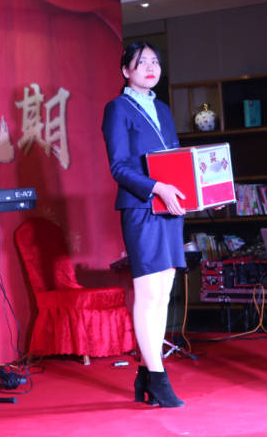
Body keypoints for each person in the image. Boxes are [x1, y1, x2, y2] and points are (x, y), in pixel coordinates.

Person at [102, 41, 187, 408]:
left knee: (164, 292)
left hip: (169, 207)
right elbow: (119, 166)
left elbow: (174, 159)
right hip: (141, 207)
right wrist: (157, 187)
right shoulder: (117, 108)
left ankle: (146, 375)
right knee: (148, 292)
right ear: (126, 71)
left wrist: (188, 192)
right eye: (142, 62)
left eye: (155, 61)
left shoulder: (163, 109)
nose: (151, 68)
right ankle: (158, 377)